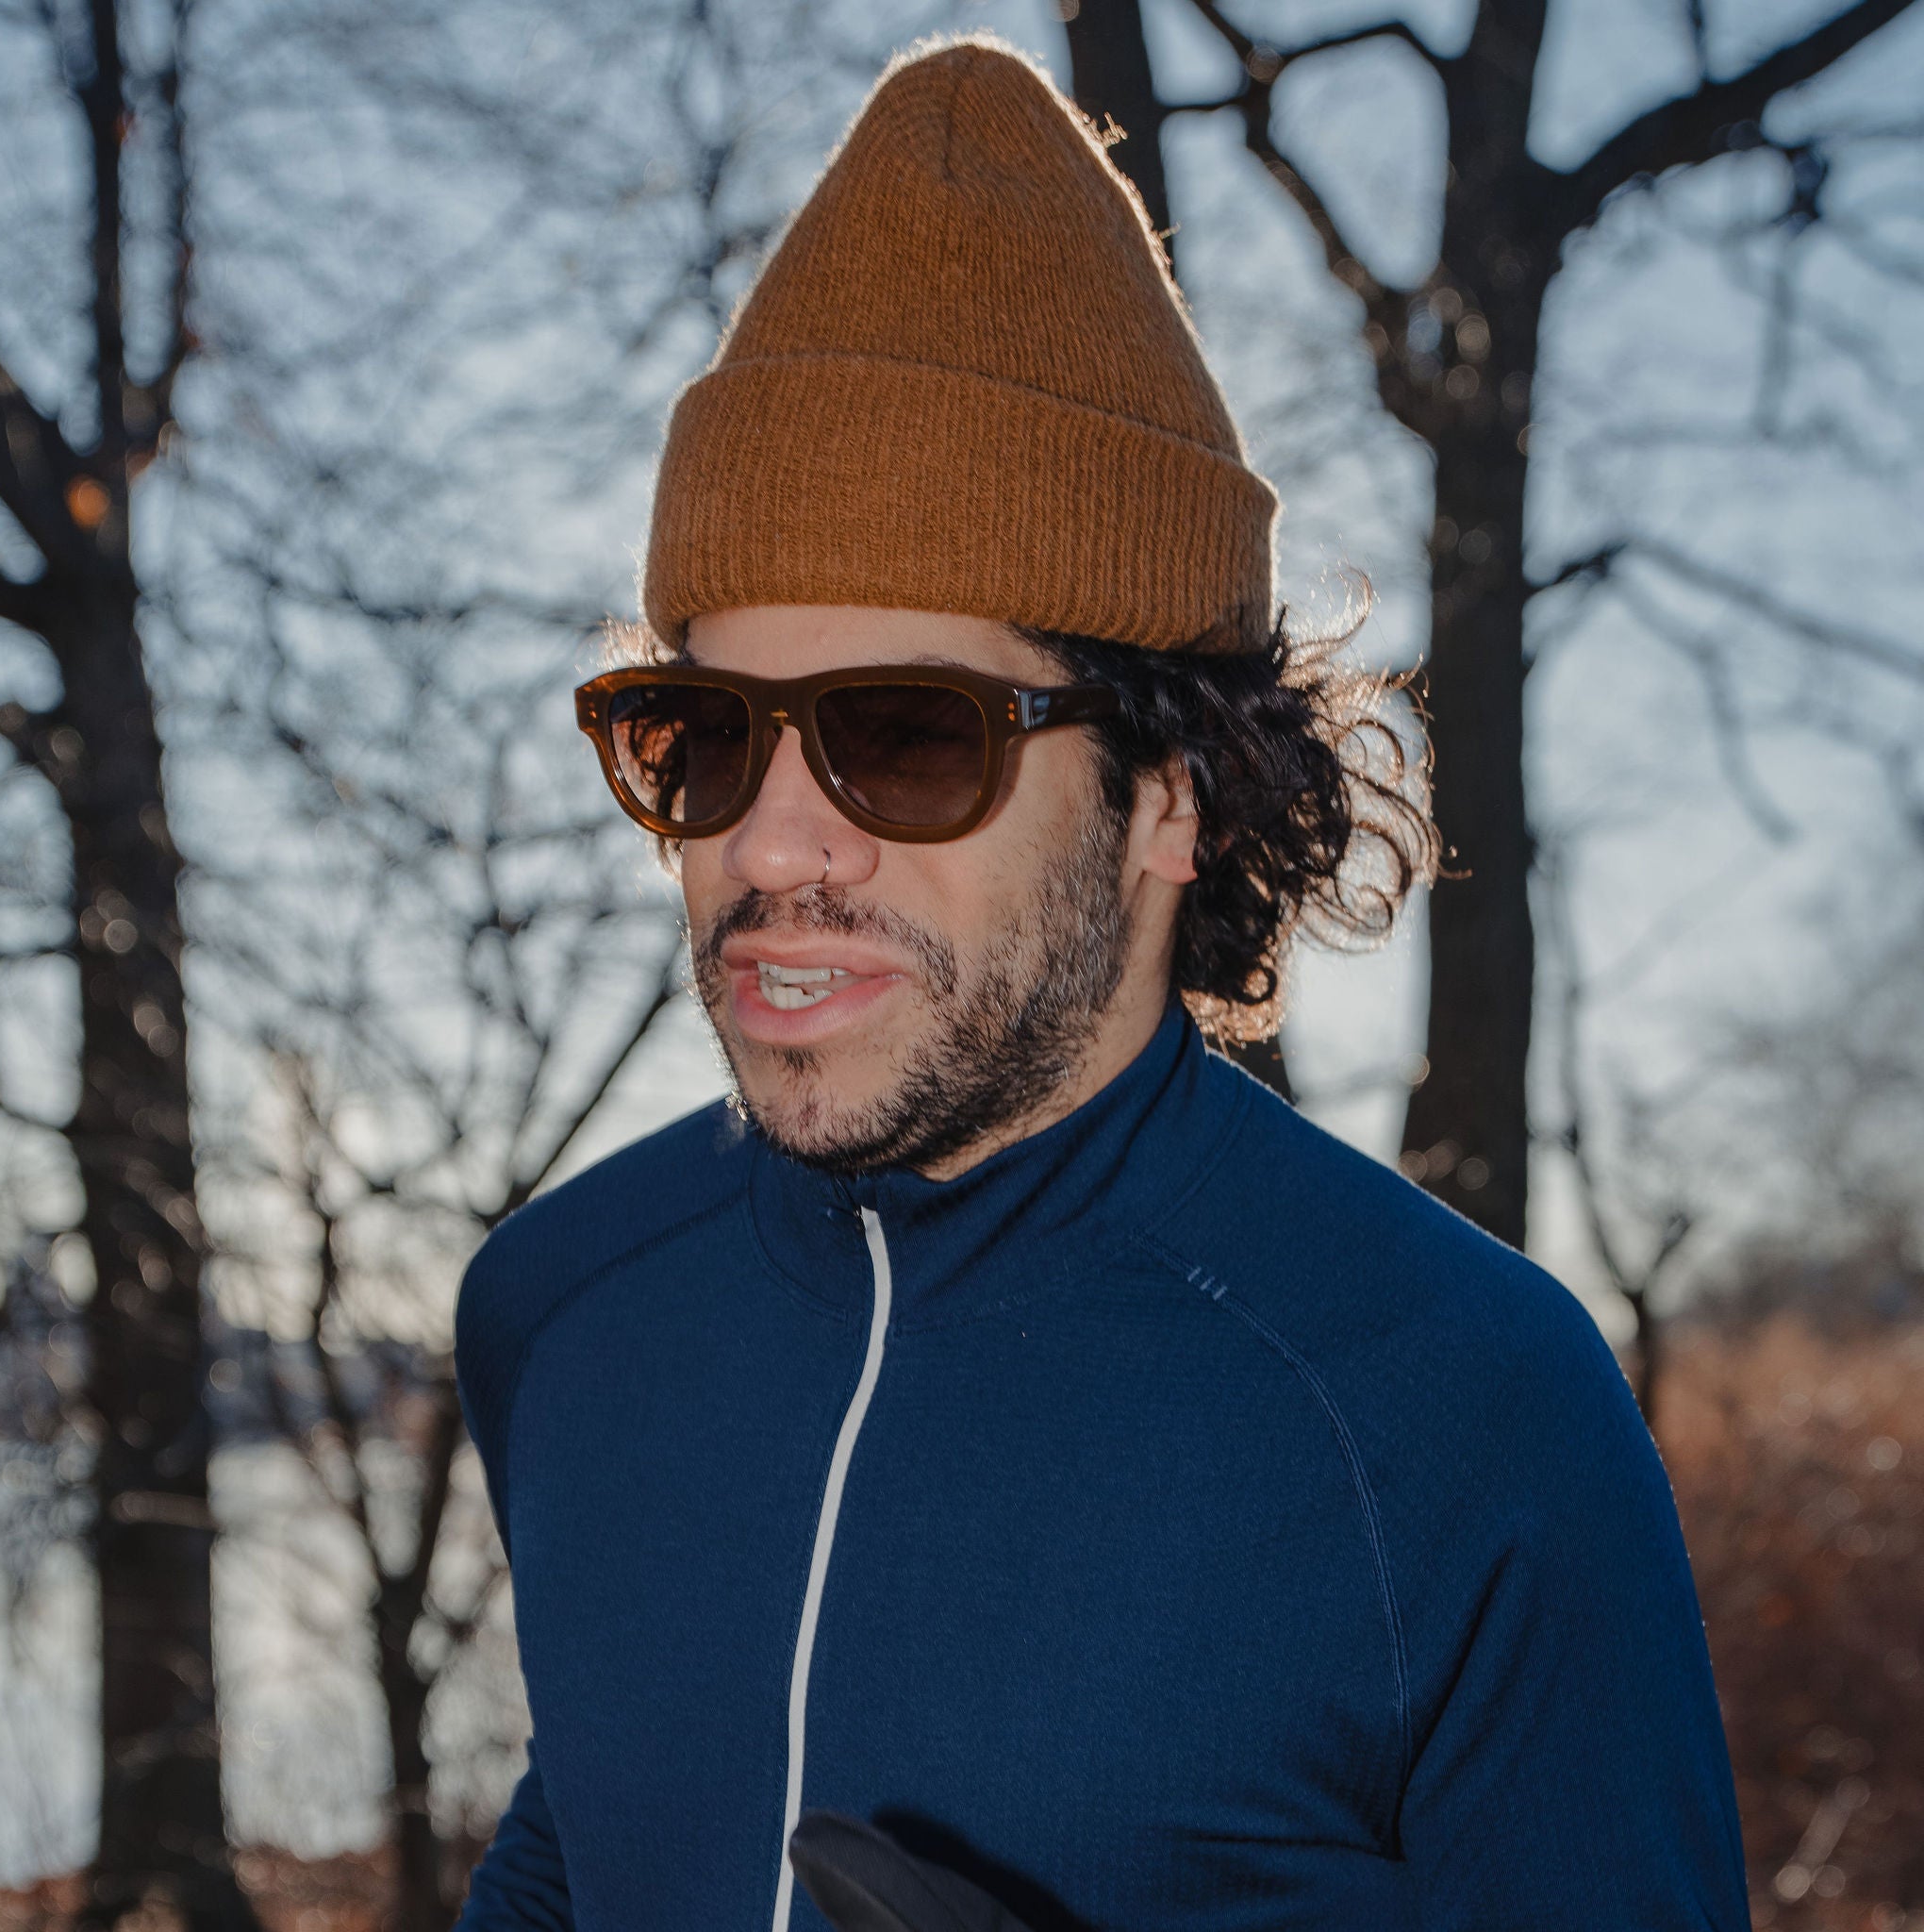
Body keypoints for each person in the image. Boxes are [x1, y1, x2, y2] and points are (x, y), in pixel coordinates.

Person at [452, 33, 1750, 1932]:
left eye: (903, 735)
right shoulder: (562, 1306)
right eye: (705, 735)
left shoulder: (1460, 1413)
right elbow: (584, 1823)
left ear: (1173, 794)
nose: (772, 845)